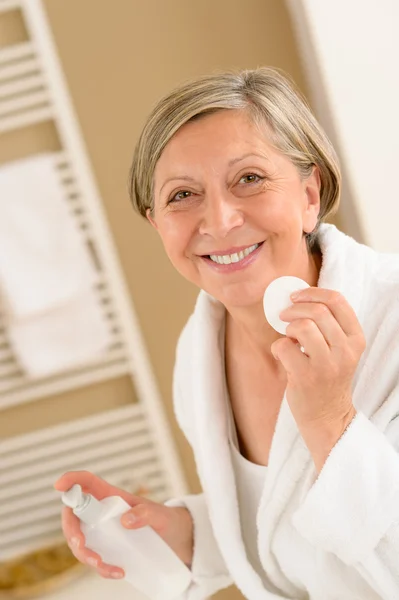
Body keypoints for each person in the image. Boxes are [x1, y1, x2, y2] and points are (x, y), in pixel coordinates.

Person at [55, 68, 399, 600]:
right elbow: (281, 534)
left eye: (250, 179)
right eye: (182, 195)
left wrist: (331, 417)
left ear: (310, 195)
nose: (218, 219)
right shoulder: (199, 357)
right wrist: (182, 536)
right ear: (158, 226)